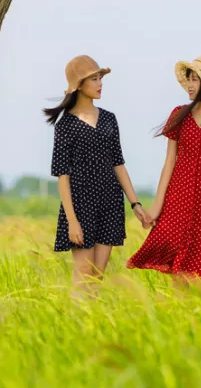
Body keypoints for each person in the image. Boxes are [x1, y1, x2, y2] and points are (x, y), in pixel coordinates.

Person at [127, 53, 201, 296]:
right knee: (178, 266)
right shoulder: (179, 113)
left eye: (195, 79)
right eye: (188, 79)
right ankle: (181, 323)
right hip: (177, 198)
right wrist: (157, 206)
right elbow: (169, 163)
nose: (188, 84)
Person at [44, 55, 148, 294]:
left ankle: (91, 328)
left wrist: (135, 203)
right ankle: (74, 327)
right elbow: (63, 175)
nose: (100, 83)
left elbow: (118, 164)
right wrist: (72, 220)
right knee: (83, 274)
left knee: (97, 277)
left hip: (110, 202)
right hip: (81, 205)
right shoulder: (65, 126)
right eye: (94, 78)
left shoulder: (109, 118)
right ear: (79, 85)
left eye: (100, 78)